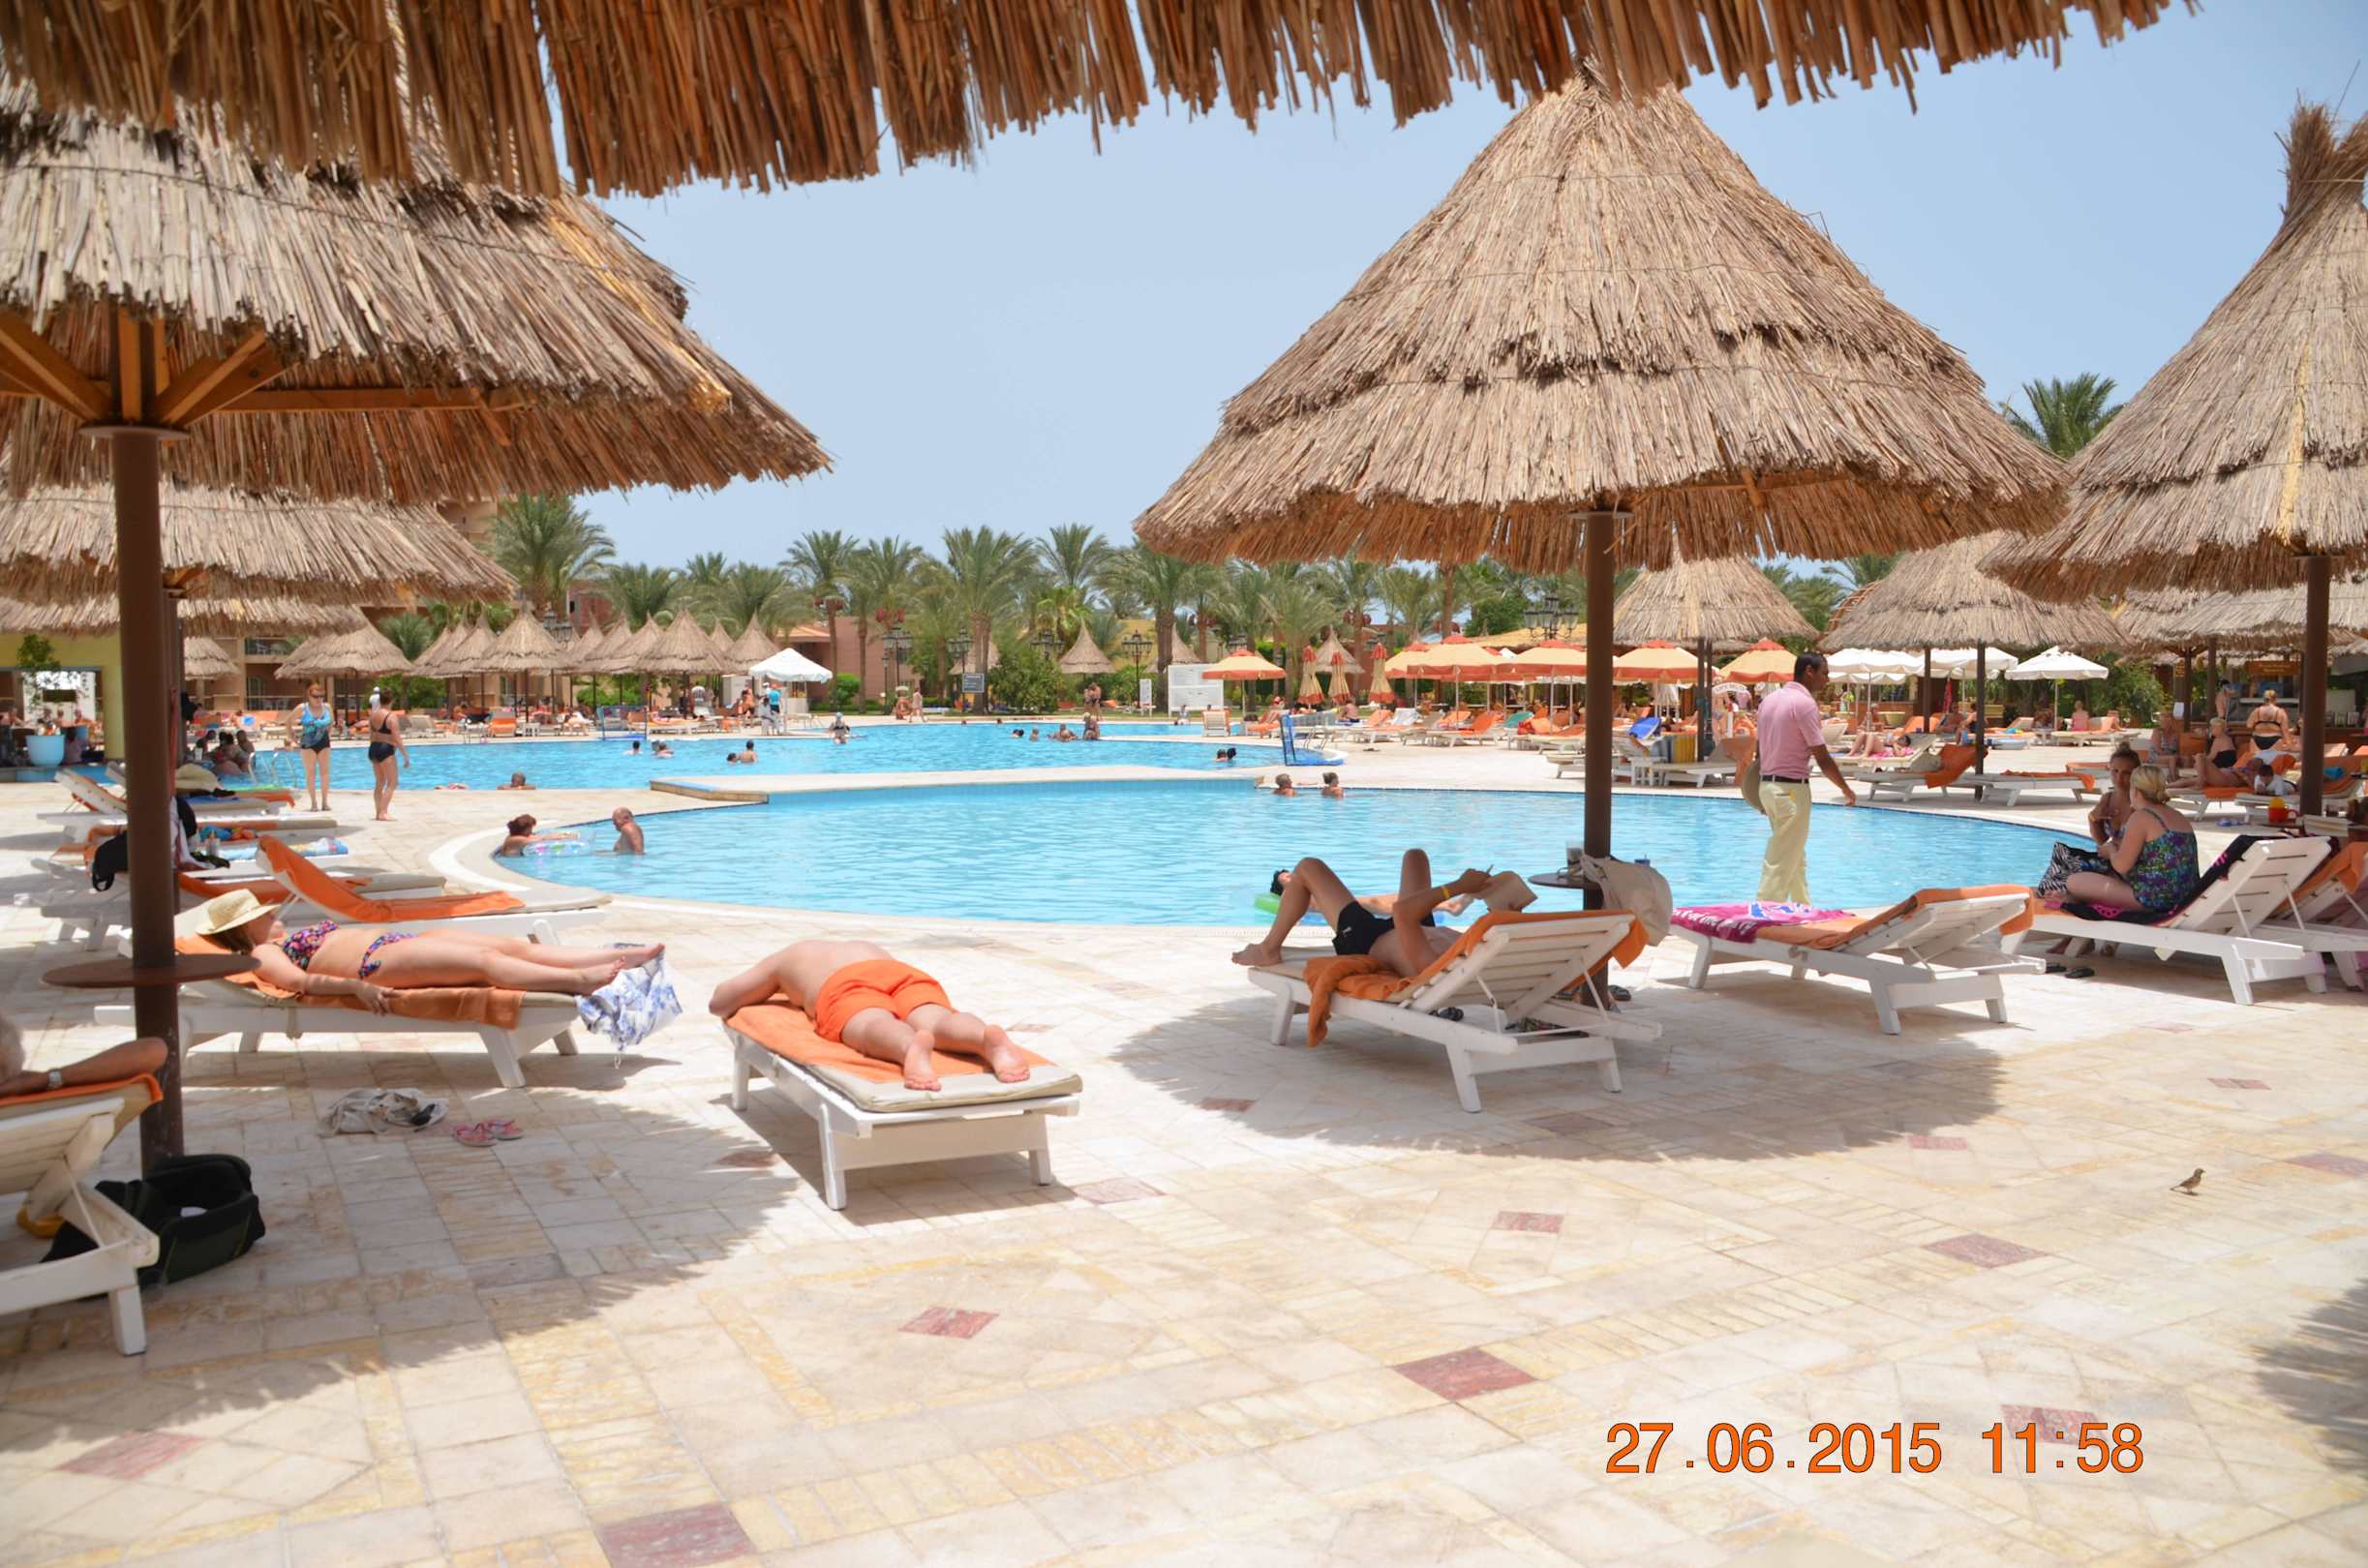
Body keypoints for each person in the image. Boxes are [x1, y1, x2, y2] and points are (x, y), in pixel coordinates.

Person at [189, 890, 659, 1001]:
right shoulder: (261, 954)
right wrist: (356, 988)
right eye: (261, 914)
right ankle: (577, 981)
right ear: (245, 928)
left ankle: (616, 956)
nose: (270, 915)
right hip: (377, 964)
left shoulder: (275, 939)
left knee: (512, 947)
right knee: (486, 962)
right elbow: (300, 983)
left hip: (399, 944)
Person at [707, 939, 1029, 1090]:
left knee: (872, 1022)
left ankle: (909, 1048)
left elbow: (721, 1002)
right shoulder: (863, 944)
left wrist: (775, 985)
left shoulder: (789, 956)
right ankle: (983, 1039)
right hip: (898, 973)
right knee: (936, 1017)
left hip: (843, 986)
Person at [1232, 854, 1526, 975]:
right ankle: (1453, 905)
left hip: (1369, 939)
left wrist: (1460, 886)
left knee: (1308, 867)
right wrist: (1510, 914)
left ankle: (1268, 949)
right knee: (1415, 857)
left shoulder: (1433, 965)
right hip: (1414, 931)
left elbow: (1402, 912)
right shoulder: (1480, 954)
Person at [1754, 651, 1858, 904]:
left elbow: (1760, 750)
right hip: (1791, 791)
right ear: (1809, 672)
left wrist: (1761, 789)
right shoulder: (1804, 704)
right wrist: (1845, 789)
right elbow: (1822, 757)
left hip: (1768, 786)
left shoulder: (1768, 701)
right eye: (1825, 673)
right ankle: (1765, 911)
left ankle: (1802, 906)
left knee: (1794, 854)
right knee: (1781, 858)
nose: (1827, 679)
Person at [2038, 765, 2199, 915]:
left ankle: (2071, 899)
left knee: (2074, 881)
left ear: (2135, 791)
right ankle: (2072, 899)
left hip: (2155, 900)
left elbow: (2121, 866)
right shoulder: (2178, 816)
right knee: (2105, 874)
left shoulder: (2142, 817)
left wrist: (2111, 851)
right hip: (2185, 895)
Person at [0, 1021, 167, 1101]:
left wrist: (43, 1080)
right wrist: (46, 1079)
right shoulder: (29, 1086)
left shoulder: (24, 1085)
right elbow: (154, 1050)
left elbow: (153, 1050)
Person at [2084, 744, 2143, 848]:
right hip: (2116, 855)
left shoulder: (2142, 801)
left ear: (2136, 774)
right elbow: (2101, 840)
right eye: (2115, 771)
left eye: (2126, 773)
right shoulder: (2107, 798)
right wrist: (2092, 818)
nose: (2119, 777)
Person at [289, 684, 336, 810]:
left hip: (324, 742)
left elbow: (331, 721)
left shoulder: (327, 707)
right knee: (311, 773)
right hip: (308, 743)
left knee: (325, 773)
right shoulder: (302, 708)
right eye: (315, 696)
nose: (318, 699)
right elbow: (288, 721)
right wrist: (292, 737)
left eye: (321, 696)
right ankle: (314, 803)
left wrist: (329, 733)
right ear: (309, 696)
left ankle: (325, 803)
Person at [364, 692, 408, 822]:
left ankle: (378, 812)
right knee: (393, 782)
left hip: (373, 748)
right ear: (391, 701)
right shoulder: (391, 717)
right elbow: (397, 738)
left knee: (380, 782)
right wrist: (405, 755)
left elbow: (371, 736)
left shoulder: (373, 716)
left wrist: (373, 750)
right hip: (386, 749)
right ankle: (383, 812)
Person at [495, 814, 575, 857]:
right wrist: (564, 837)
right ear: (525, 829)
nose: (531, 831)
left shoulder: (514, 836)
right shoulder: (517, 839)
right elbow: (543, 839)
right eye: (530, 828)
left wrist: (564, 834)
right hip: (513, 861)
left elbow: (539, 837)